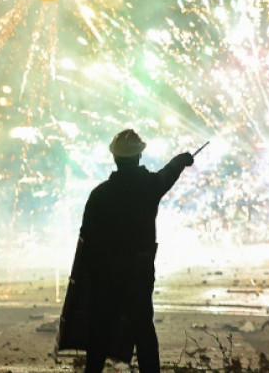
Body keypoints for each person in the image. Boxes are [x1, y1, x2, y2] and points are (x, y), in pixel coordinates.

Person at [79, 129, 194, 373]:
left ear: (115, 158)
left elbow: (86, 240)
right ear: (139, 156)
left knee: (100, 330)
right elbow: (168, 174)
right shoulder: (149, 187)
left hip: (106, 272)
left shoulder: (100, 195)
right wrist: (181, 160)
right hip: (139, 269)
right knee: (143, 328)